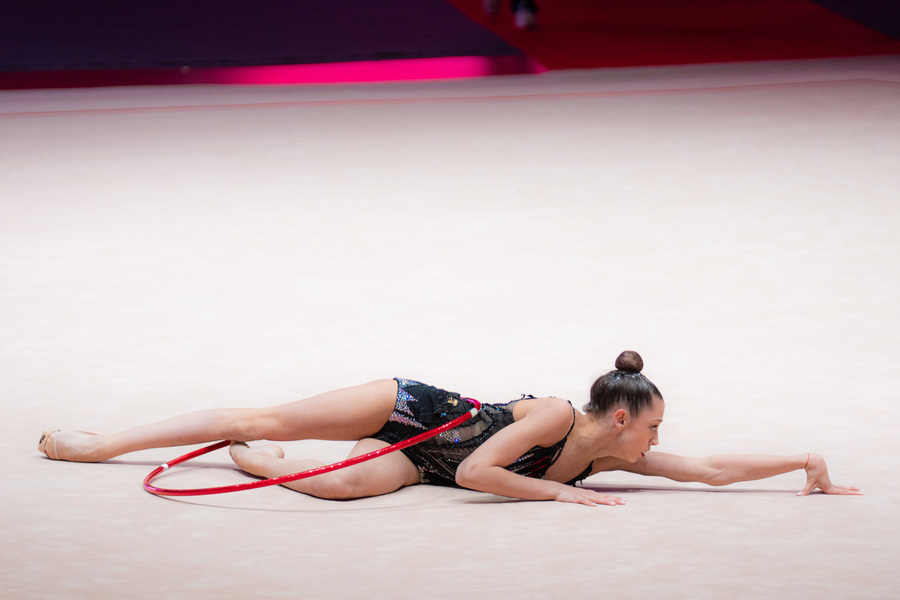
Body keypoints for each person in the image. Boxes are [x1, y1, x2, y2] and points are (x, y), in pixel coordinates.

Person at [37, 351, 861, 506]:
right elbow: (476, 475)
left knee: (341, 486)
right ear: (619, 419)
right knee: (265, 412)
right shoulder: (552, 418)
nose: (655, 446)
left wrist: (804, 460)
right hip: (412, 413)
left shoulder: (611, 458)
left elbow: (708, 470)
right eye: (651, 433)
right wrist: (559, 500)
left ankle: (254, 461)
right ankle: (99, 444)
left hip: (418, 465)